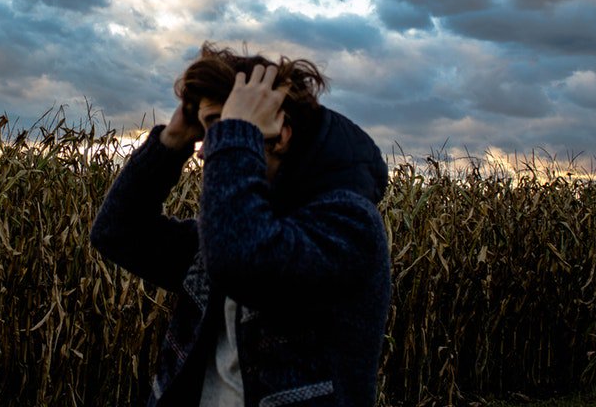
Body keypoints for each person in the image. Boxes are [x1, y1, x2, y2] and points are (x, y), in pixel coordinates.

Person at [91, 43, 391, 407]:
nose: (207, 149)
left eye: (222, 128)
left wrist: (234, 135)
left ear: (280, 134)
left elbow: (241, 261)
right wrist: (172, 141)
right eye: (208, 131)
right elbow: (118, 233)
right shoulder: (230, 229)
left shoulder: (349, 224)